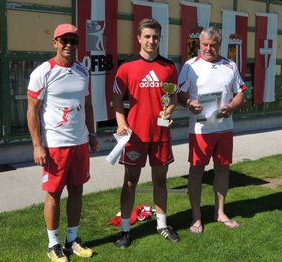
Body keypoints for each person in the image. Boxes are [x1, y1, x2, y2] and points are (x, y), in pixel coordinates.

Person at [27, 23, 100, 261]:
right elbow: (32, 111)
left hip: (79, 143)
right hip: (54, 145)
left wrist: (92, 134)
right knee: (54, 194)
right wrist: (37, 145)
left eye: (73, 40)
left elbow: (87, 105)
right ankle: (53, 244)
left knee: (77, 190)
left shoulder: (82, 70)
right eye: (64, 40)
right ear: (55, 42)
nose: (69, 44)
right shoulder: (43, 72)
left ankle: (72, 239)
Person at [112, 18, 179, 248]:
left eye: (156, 37)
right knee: (130, 182)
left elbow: (173, 97)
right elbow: (117, 99)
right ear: (139, 38)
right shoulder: (126, 67)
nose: (152, 41)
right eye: (147, 36)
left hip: (160, 135)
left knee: (160, 180)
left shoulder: (169, 67)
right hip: (135, 137)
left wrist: (168, 112)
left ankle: (161, 225)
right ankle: (125, 230)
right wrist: (121, 122)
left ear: (160, 39)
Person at [178, 27, 246, 234]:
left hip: (224, 128)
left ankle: (220, 212)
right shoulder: (190, 66)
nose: (209, 48)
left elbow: (241, 92)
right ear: (199, 44)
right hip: (200, 130)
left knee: (223, 169)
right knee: (197, 171)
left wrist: (231, 107)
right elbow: (179, 94)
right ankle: (196, 216)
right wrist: (189, 102)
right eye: (205, 44)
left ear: (219, 44)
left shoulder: (230, 65)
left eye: (213, 45)